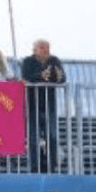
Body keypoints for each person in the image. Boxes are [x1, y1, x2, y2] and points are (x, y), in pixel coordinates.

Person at [19, 39, 66, 174]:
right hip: (32, 106)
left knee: (52, 137)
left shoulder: (54, 60)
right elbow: (26, 76)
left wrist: (53, 77)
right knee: (33, 138)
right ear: (34, 49)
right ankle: (34, 167)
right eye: (42, 47)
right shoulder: (28, 61)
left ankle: (52, 166)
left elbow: (62, 78)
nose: (45, 50)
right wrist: (41, 76)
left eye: (47, 47)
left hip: (49, 106)